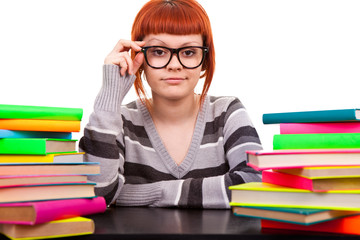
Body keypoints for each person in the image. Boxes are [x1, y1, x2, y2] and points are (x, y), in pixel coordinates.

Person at [79, 0, 262, 209]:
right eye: (158, 52)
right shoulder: (118, 121)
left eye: (189, 52)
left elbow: (254, 184)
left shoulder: (227, 113)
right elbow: (97, 193)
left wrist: (147, 193)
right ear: (138, 56)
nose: (174, 65)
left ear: (205, 59)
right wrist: (109, 99)